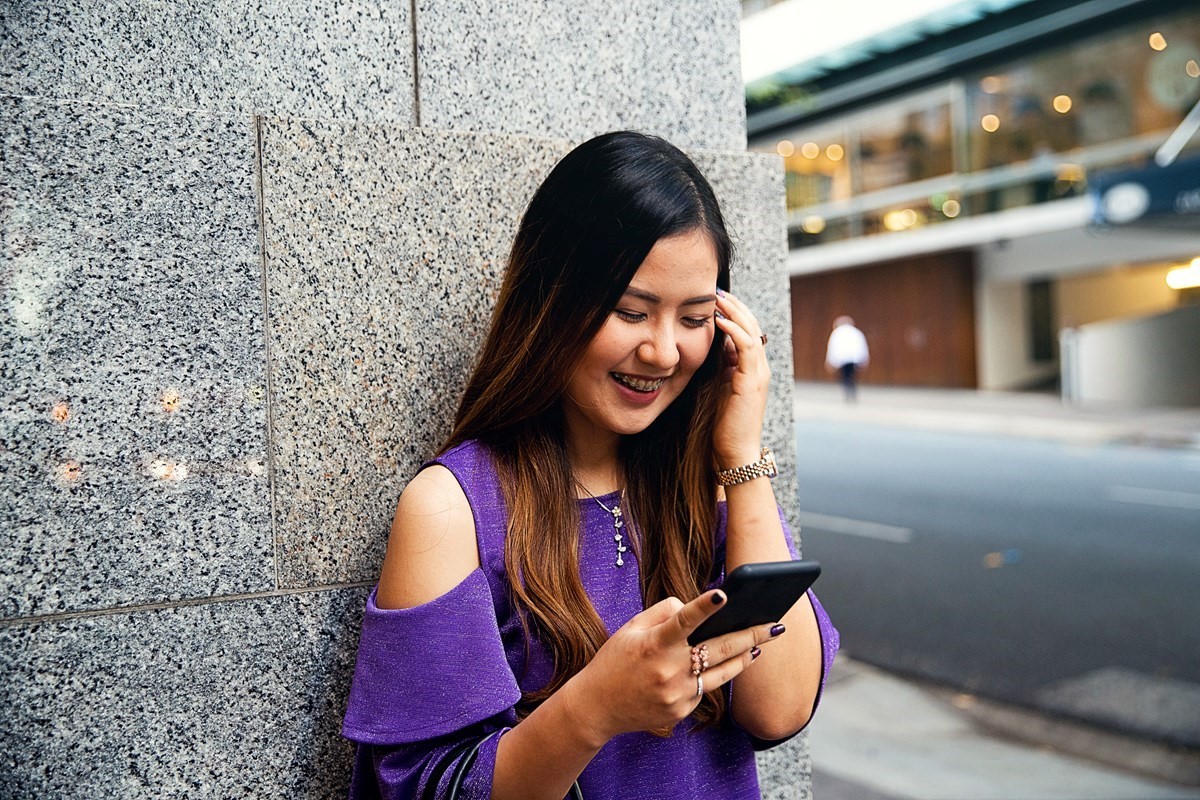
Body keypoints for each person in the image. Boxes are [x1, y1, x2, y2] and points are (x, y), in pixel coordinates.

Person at [342, 131, 839, 800]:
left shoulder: (709, 489)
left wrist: (740, 458)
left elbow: (777, 709)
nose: (663, 352)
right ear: (552, 301)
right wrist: (594, 709)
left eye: (694, 318)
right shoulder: (456, 508)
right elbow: (424, 786)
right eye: (630, 311)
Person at [825, 316, 869, 402]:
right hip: (854, 358)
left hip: (842, 359)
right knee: (851, 376)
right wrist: (863, 359)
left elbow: (833, 348)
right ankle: (852, 391)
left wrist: (831, 361)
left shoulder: (837, 333)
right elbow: (862, 347)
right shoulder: (856, 332)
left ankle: (847, 392)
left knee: (845, 376)